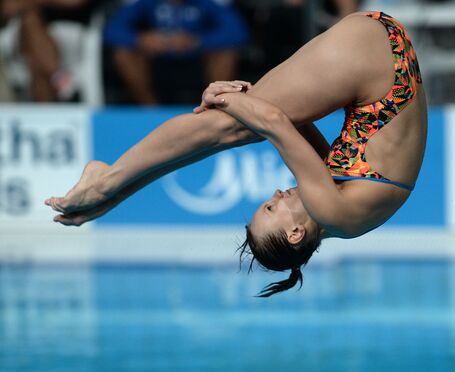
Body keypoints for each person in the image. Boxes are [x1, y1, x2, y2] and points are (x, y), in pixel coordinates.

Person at [46, 12, 427, 297]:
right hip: (373, 55)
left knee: (238, 128)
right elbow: (276, 123)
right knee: (227, 125)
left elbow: (291, 123)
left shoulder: (344, 217)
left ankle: (112, 188)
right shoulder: (331, 211)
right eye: (271, 210)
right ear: (295, 234)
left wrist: (246, 102)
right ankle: (107, 182)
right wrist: (223, 96)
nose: (276, 196)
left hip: (382, 54)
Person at [103, 0, 248, 105]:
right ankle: (149, 108)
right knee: (123, 53)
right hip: (156, 58)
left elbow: (237, 32)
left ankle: (214, 104)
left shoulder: (212, 3)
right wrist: (141, 40)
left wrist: (198, 41)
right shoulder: (141, 3)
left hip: (198, 57)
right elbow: (111, 31)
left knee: (226, 52)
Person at [0, 0, 93, 101]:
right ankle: (57, 77)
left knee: (35, 61)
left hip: (71, 31)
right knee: (30, 18)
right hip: (16, 34)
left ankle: (44, 110)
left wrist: (29, 2)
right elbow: (7, 7)